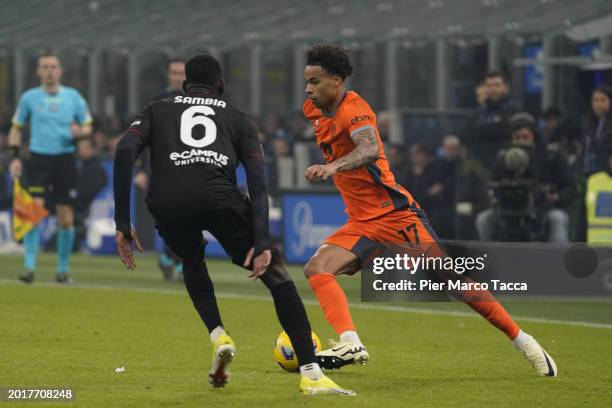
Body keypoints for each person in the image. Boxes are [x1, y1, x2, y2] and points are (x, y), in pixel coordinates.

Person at [301, 44, 557, 376]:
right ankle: (351, 341)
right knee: (317, 268)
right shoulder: (313, 109)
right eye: (307, 81)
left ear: (337, 80)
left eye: (316, 81)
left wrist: (333, 167)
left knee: (453, 281)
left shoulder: (356, 109)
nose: (308, 89)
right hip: (361, 222)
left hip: (395, 215)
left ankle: (527, 343)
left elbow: (369, 148)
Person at [113, 54, 352, 395]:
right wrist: (263, 240)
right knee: (277, 277)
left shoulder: (156, 108)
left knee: (192, 261)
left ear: (184, 84)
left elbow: (124, 150)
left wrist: (123, 220)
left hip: (168, 202)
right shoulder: (238, 119)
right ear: (221, 86)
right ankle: (312, 373)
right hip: (220, 197)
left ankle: (218, 335)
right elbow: (257, 179)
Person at [8, 52, 92, 283]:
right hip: (39, 159)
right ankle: (29, 269)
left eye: (53, 66)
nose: (49, 71)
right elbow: (16, 128)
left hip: (65, 160)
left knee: (65, 218)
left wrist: (80, 133)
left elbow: (87, 125)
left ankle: (62, 271)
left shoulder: (74, 98)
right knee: (34, 213)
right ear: (38, 71)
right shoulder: (29, 98)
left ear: (60, 70)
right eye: (45, 66)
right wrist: (14, 156)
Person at [476, 113, 575, 242]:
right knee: (484, 219)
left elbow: (570, 188)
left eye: (525, 137)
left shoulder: (551, 156)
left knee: (557, 219)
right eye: (517, 138)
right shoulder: (502, 158)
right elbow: (493, 184)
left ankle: (559, 260)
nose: (521, 142)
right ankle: (489, 260)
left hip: (543, 210)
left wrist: (557, 197)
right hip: (507, 212)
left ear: (534, 136)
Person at [135, 58, 186, 281]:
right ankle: (170, 257)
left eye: (181, 73)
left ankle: (180, 261)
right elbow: (145, 137)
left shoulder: (198, 101)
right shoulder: (155, 101)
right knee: (169, 217)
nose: (177, 77)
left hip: (189, 166)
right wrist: (142, 169)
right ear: (168, 75)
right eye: (174, 73)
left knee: (187, 215)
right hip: (161, 166)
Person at [459, 72, 521, 172]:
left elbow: (502, 131)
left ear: (506, 87)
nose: (493, 90)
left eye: (497, 85)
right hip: (478, 169)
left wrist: (483, 131)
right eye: (489, 86)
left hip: (504, 168)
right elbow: (464, 134)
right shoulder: (478, 113)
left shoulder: (515, 111)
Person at [74, 138, 107, 250]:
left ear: (92, 149)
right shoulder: (83, 165)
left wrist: (81, 199)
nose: (81, 151)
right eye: (80, 149)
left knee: (79, 223)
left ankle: (78, 245)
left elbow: (95, 187)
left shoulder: (95, 167)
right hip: (80, 203)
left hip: (86, 204)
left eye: (84, 148)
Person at [581, 85, 612, 175]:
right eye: (595, 100)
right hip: (590, 170)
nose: (598, 104)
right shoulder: (590, 122)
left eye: (602, 100)